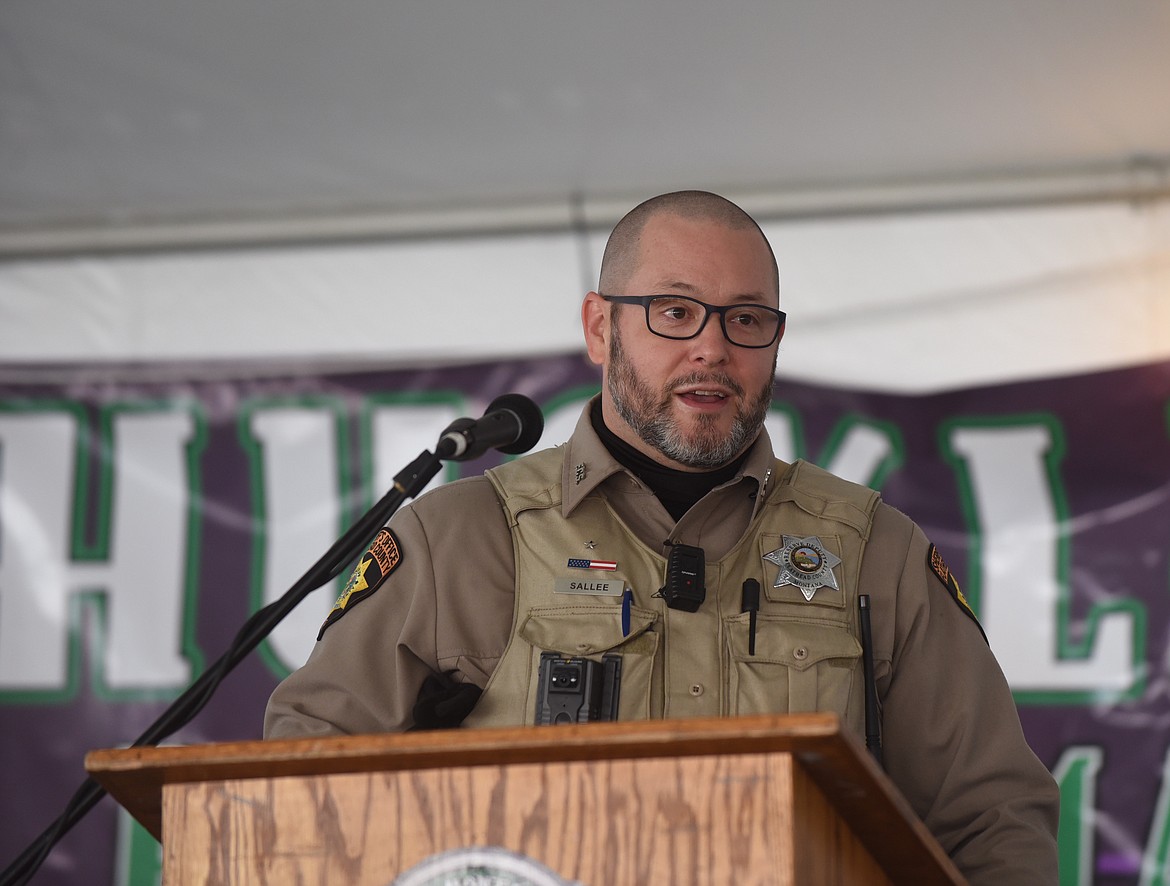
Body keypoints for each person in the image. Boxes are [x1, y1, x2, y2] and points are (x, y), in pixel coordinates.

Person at [265, 190, 1060, 883]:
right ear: (601, 327)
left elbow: (989, 820)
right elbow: (303, 789)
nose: (711, 348)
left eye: (746, 319)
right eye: (675, 312)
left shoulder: (870, 550)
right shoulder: (463, 539)